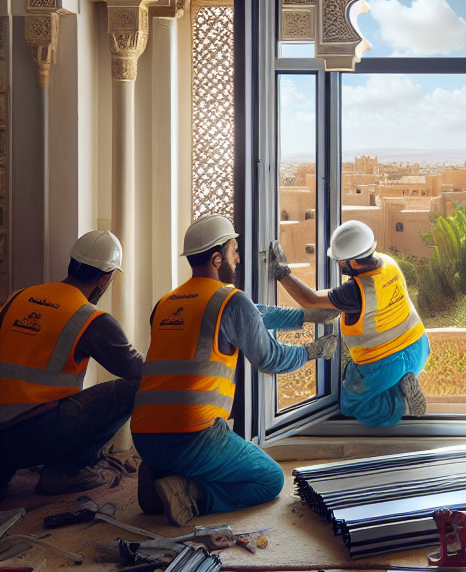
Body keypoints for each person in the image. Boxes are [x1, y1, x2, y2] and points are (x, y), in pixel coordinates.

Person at [131, 214, 338, 526]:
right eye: (233, 250)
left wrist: (304, 317)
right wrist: (310, 352)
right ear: (217, 258)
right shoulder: (230, 300)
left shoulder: (166, 303)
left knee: (191, 451)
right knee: (270, 480)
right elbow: (270, 358)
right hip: (192, 437)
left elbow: (253, 314)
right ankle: (190, 494)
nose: (237, 258)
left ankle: (160, 471)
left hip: (144, 436)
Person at [0, 231, 143, 498]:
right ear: (105, 279)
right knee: (133, 389)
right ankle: (68, 470)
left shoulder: (17, 298)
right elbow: (138, 371)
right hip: (32, 437)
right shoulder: (90, 318)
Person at [270, 221, 430, 427]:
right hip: (419, 348)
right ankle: (402, 382)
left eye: (341, 261)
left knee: (354, 404)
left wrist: (282, 273)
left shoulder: (355, 292)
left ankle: (399, 398)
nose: (338, 264)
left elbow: (309, 300)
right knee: (376, 382)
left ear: (353, 262)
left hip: (386, 363)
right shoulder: (388, 263)